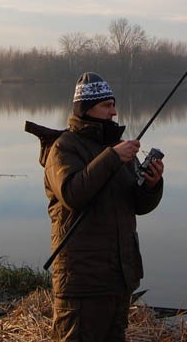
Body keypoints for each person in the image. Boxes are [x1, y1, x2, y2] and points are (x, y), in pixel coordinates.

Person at [42, 72, 165, 342]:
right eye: (106, 105)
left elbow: (135, 205)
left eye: (113, 104)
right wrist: (112, 157)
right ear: (86, 110)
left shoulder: (117, 149)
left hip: (118, 278)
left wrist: (151, 185)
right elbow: (72, 194)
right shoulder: (63, 148)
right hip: (81, 282)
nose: (114, 111)